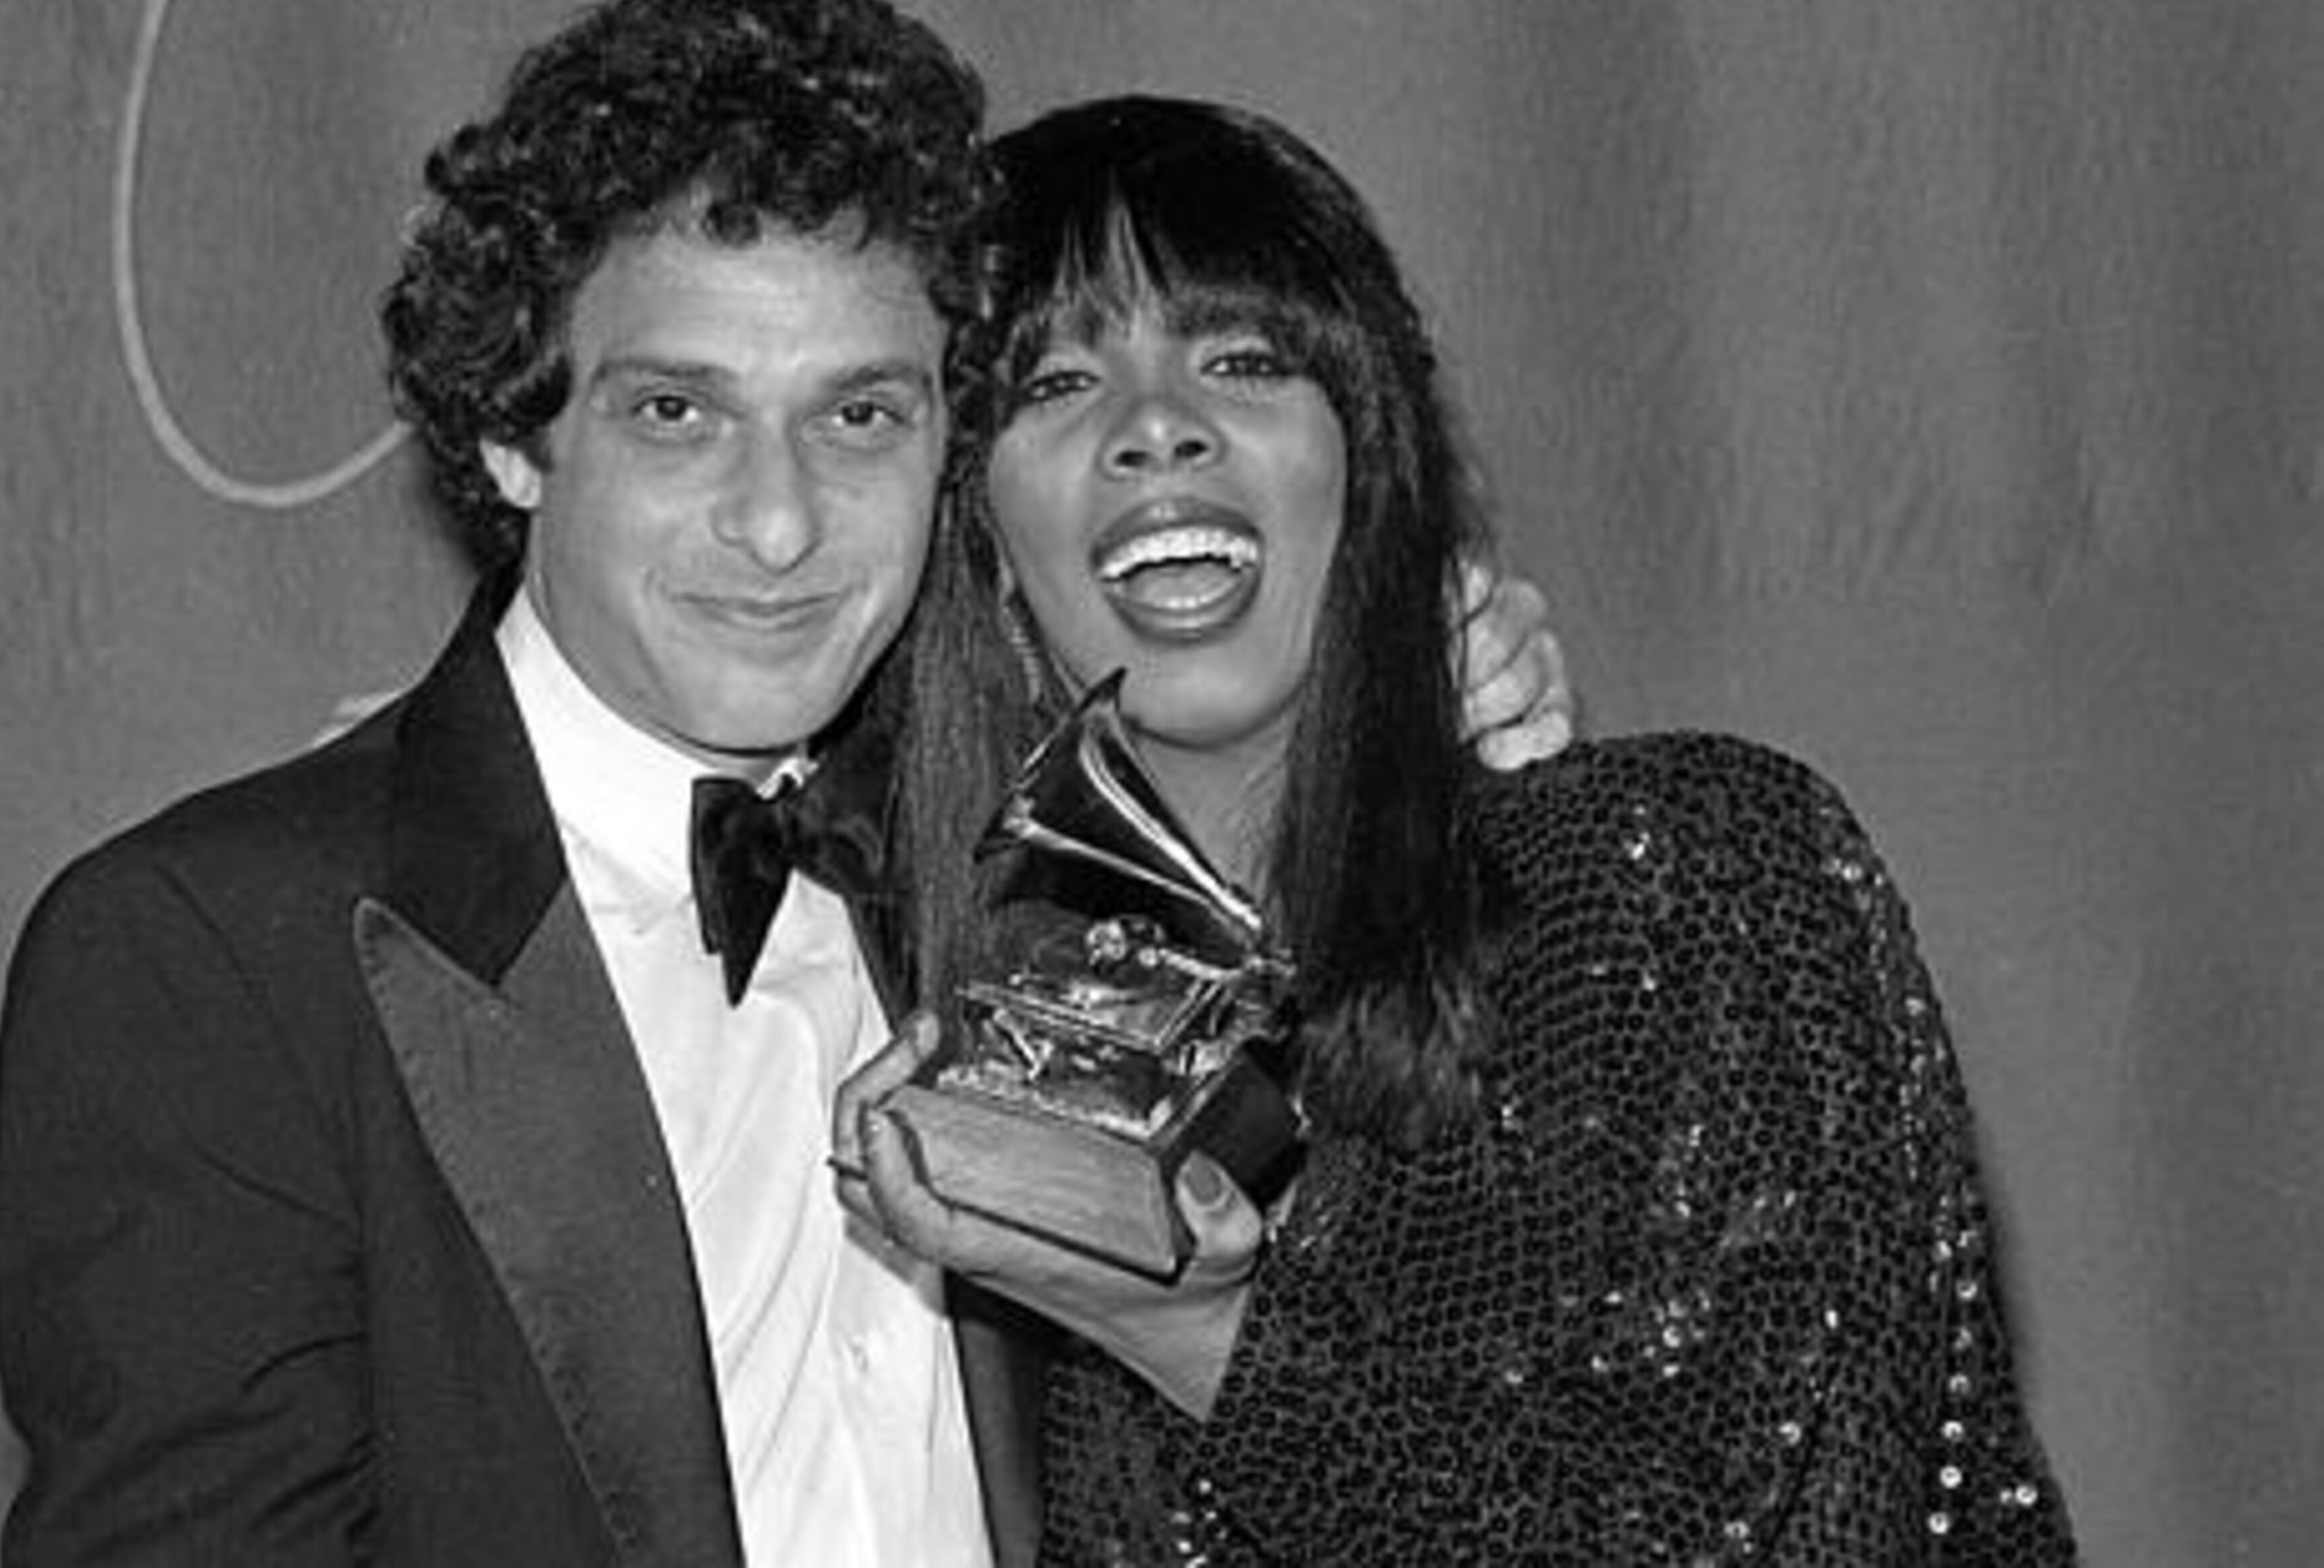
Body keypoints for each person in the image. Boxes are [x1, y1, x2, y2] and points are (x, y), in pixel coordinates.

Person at [0, 0, 1570, 1565]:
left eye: (861, 417)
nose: (780, 520)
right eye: (680, 412)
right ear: (512, 439)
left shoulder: (1026, 871)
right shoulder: (212, 953)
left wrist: (1410, 707)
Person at [837, 93, 2078, 1563]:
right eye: (1053, 385)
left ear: (1368, 467)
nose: (1156, 430)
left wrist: (1208, 1337)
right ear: (975, 538)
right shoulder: (972, 1057)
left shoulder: (1692, 880)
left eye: (1242, 359)